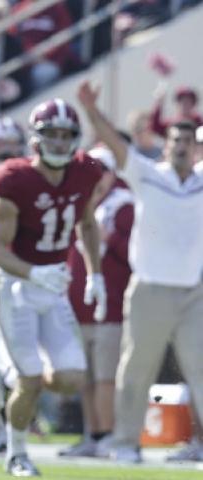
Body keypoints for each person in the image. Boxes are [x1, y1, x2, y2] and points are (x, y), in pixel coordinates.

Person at [78, 80, 203, 464]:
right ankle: (125, 444)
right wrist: (91, 109)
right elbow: (115, 145)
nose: (180, 146)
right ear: (166, 145)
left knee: (201, 372)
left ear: (196, 148)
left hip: (193, 292)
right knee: (135, 371)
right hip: (149, 289)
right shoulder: (148, 174)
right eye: (175, 140)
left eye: (188, 142)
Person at [0, 98, 108, 476]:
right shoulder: (14, 178)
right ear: (36, 138)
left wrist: (96, 274)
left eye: (65, 135)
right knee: (29, 380)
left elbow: (86, 223)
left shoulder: (86, 171)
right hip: (15, 286)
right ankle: (17, 455)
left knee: (71, 378)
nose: (59, 142)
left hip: (53, 286)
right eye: (51, 134)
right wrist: (33, 272)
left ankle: (20, 376)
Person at [60, 147, 133, 458]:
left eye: (101, 170)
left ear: (112, 173)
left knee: (105, 378)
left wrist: (109, 237)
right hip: (78, 308)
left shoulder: (124, 205)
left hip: (110, 309)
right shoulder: (76, 202)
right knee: (85, 379)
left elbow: (134, 255)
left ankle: (108, 435)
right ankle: (92, 434)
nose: (95, 176)